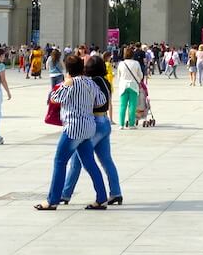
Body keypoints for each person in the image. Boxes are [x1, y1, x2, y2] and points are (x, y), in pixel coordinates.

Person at [35, 54, 108, 210]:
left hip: (73, 128)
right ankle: (102, 198)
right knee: (90, 163)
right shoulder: (90, 82)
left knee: (60, 161)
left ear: (68, 69)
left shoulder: (69, 83)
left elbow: (54, 98)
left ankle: (52, 200)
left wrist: (66, 83)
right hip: (88, 128)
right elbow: (101, 100)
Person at [61, 55, 123, 206]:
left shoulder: (92, 82)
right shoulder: (105, 81)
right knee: (106, 160)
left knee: (77, 160)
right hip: (105, 121)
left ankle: (65, 194)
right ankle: (116, 192)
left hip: (95, 123)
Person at [116, 47, 143, 129]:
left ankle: (121, 124)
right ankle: (131, 124)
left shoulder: (121, 64)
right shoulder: (136, 63)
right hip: (133, 85)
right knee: (132, 106)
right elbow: (140, 75)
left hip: (123, 86)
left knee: (122, 106)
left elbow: (118, 76)